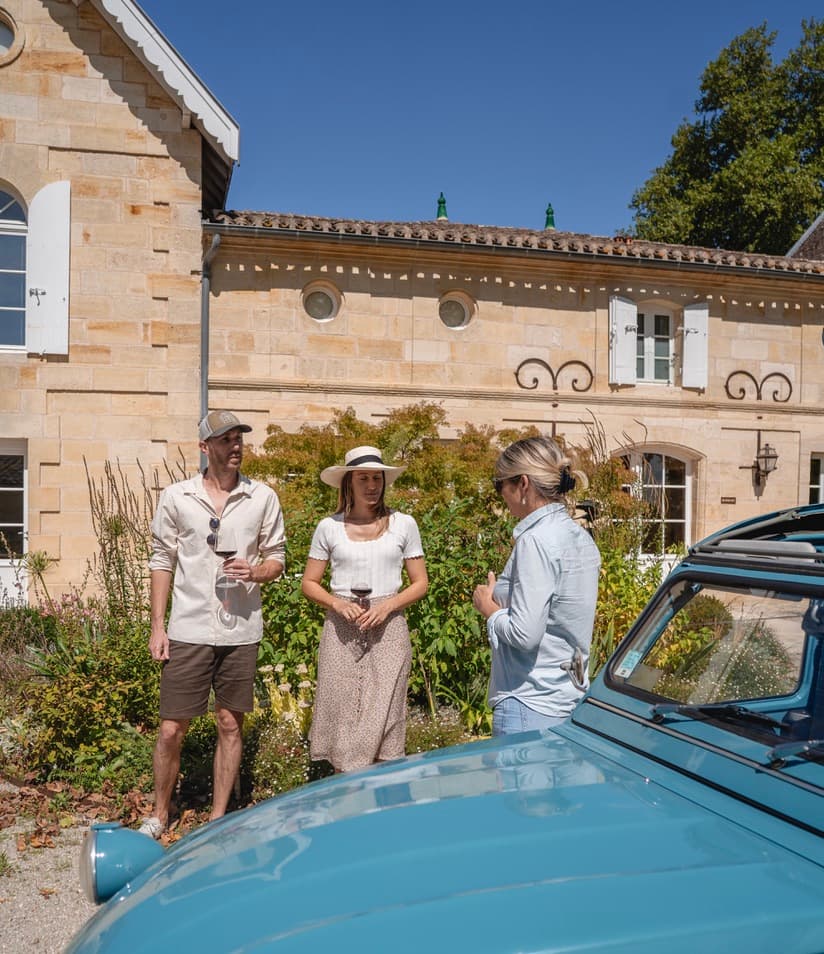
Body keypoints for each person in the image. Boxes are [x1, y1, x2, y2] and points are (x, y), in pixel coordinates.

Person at [139, 410, 286, 839]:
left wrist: (256, 571)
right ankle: (160, 814)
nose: (236, 445)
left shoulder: (262, 497)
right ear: (205, 447)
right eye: (225, 439)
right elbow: (161, 560)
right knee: (170, 729)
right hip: (188, 628)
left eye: (239, 437)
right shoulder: (178, 496)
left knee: (229, 723)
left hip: (240, 629)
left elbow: (277, 558)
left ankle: (217, 821)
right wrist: (157, 626)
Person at [301, 445, 428, 773]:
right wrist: (337, 603)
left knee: (383, 711)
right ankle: (347, 796)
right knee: (343, 711)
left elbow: (420, 583)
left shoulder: (404, 524)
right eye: (363, 478)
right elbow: (309, 583)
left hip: (389, 627)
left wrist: (388, 606)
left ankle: (380, 800)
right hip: (342, 628)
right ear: (348, 482)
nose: (372, 485)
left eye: (377, 478)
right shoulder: (328, 527)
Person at [472, 435, 601, 736]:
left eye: (500, 484)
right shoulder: (579, 536)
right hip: (568, 697)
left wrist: (489, 608)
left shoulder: (535, 540)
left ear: (523, 484)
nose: (500, 494)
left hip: (529, 701)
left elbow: (525, 634)